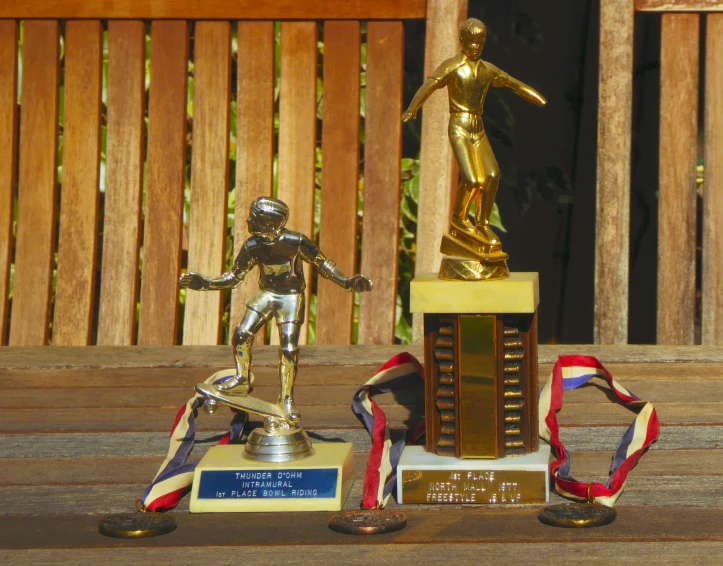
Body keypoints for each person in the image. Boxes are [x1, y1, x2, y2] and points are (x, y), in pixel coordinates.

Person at [180, 197, 372, 427]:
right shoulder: (253, 246)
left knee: (289, 349)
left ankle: (287, 398)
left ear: (270, 224)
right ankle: (242, 379)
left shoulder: (296, 241)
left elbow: (323, 263)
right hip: (267, 294)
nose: (248, 221)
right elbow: (234, 277)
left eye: (254, 218)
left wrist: (347, 282)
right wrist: (206, 283)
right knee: (241, 335)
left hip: (291, 297)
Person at [402, 18, 546, 248]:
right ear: (462, 41)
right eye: (472, 42)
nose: (476, 47)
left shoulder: (487, 70)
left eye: (481, 42)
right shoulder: (453, 66)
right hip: (459, 125)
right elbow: (429, 85)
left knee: (492, 175)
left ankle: (482, 223)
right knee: (472, 179)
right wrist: (413, 108)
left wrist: (535, 96)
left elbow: (513, 84)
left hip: (477, 127)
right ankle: (459, 219)